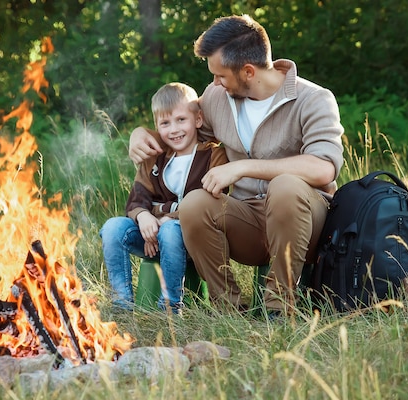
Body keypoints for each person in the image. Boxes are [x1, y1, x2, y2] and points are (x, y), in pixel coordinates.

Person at [128, 15, 344, 319]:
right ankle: (229, 311)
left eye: (220, 76)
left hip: (305, 223)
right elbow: (182, 132)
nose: (214, 83)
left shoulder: (314, 99)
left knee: (285, 186)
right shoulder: (218, 97)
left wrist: (243, 168)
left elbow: (323, 168)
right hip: (248, 222)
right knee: (195, 203)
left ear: (248, 71)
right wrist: (142, 134)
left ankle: (278, 309)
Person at [100, 82, 228, 314]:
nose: (174, 129)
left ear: (198, 120)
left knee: (170, 231)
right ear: (157, 127)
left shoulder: (213, 155)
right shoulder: (154, 158)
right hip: (153, 235)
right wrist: (144, 217)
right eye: (165, 123)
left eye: (181, 120)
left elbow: (211, 201)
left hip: (193, 239)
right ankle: (122, 303)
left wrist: (163, 218)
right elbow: (137, 198)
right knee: (112, 228)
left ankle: (170, 306)